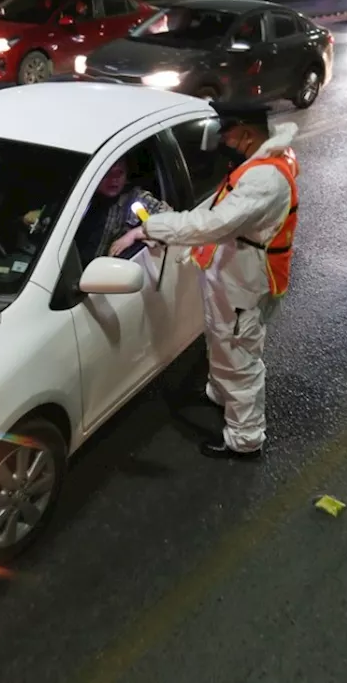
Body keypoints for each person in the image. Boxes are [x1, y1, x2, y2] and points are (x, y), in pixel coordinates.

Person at [114, 104, 299, 460]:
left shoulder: (265, 180)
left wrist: (151, 227)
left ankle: (245, 441)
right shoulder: (264, 161)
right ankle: (220, 394)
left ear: (245, 134)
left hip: (243, 284)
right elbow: (214, 215)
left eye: (226, 134)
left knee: (239, 358)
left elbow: (213, 225)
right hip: (233, 276)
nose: (221, 141)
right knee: (223, 342)